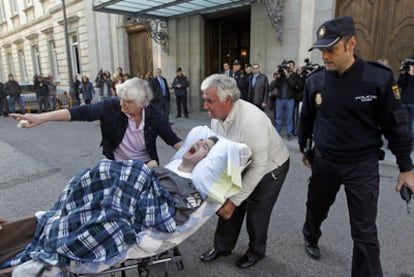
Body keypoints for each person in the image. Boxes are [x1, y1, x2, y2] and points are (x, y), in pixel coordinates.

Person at [298, 16, 414, 277]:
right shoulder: (315, 82)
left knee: (364, 232)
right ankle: (311, 236)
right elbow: (306, 119)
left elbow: (396, 126)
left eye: (331, 50)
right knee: (316, 208)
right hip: (325, 161)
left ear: (352, 43)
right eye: (321, 50)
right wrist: (305, 148)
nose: (325, 57)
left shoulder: (377, 78)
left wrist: (406, 168)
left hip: (362, 165)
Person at [0, 136, 218, 269]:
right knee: (102, 169)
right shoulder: (169, 166)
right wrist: (147, 169)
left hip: (138, 204)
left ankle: (93, 223)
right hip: (125, 191)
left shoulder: (191, 188)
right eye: (200, 141)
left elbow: (170, 219)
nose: (199, 143)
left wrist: (144, 173)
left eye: (205, 147)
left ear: (206, 160)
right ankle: (64, 219)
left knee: (132, 174)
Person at [199, 74, 290, 269]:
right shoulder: (216, 117)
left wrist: (234, 201)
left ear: (228, 100)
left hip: (269, 167)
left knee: (256, 212)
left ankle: (256, 252)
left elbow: (258, 166)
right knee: (226, 208)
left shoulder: (251, 121)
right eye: (204, 100)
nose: (205, 106)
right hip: (241, 161)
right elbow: (220, 151)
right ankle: (222, 247)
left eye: (209, 101)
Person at [10, 78, 183, 166]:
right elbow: (79, 112)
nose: (121, 103)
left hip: (147, 165)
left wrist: (195, 155)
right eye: (120, 98)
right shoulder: (112, 106)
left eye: (127, 101)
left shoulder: (154, 115)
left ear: (141, 103)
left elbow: (173, 140)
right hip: (117, 165)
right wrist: (40, 118)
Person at [274, 60, 301, 138]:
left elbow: (293, 85)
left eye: (292, 65)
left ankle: (289, 133)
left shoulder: (295, 75)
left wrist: (287, 75)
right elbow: (276, 85)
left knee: (289, 117)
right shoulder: (281, 75)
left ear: (293, 66)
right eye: (289, 65)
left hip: (290, 99)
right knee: (278, 117)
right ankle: (277, 132)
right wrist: (277, 74)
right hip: (279, 99)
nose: (290, 67)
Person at [397, 59, 414, 143]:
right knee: (400, 123)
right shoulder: (405, 73)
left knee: (411, 124)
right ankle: (400, 141)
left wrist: (411, 74)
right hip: (404, 101)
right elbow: (399, 84)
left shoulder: (410, 73)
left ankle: (410, 143)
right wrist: (403, 73)